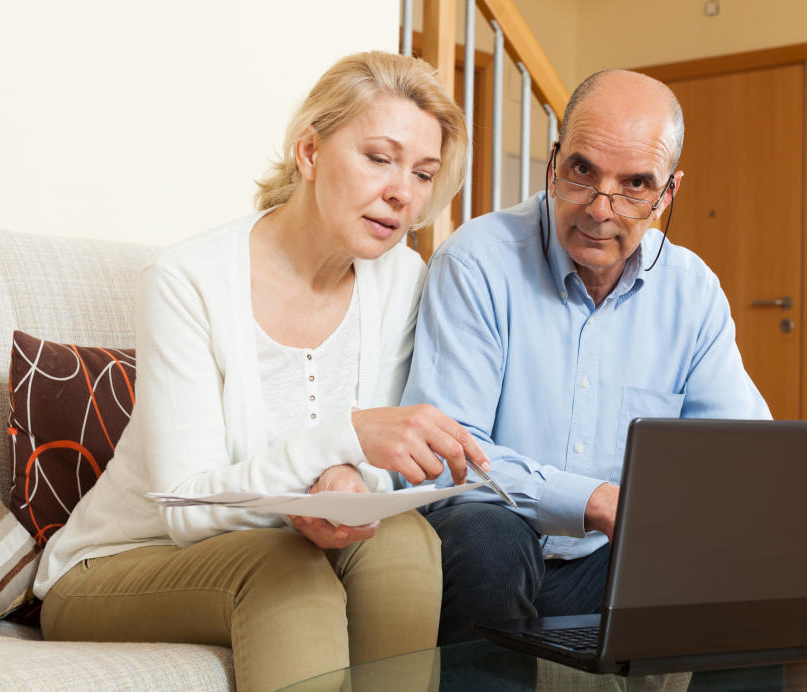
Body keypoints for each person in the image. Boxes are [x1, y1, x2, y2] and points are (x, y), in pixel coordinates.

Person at [33, 51, 488, 691]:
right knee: (285, 573)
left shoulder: (399, 279)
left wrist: (347, 475)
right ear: (309, 153)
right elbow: (188, 510)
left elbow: (367, 457)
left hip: (287, 545)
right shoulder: (187, 281)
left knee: (407, 542)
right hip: (121, 564)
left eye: (422, 173)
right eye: (379, 158)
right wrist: (342, 442)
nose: (401, 192)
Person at [400, 69, 772, 644]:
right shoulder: (478, 261)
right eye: (582, 172)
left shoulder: (691, 290)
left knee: (757, 562)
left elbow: (739, 451)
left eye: (635, 186)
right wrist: (591, 500)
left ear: (668, 193)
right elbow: (448, 454)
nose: (601, 208)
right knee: (490, 539)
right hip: (493, 539)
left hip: (609, 564)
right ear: (553, 164)